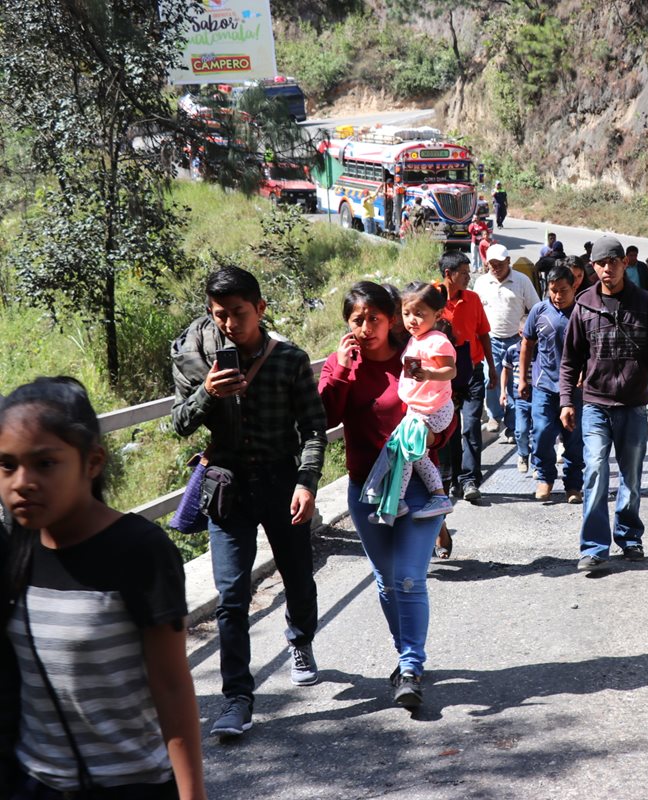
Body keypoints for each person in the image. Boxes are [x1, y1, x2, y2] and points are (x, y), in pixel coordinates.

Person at [0, 378, 206, 798]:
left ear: (92, 462)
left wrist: (192, 794)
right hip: (32, 783)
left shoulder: (139, 550)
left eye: (45, 463)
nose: (22, 482)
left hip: (128, 785)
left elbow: (171, 685)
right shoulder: (17, 545)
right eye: (7, 465)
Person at [170, 266, 327, 739]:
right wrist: (205, 395)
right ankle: (237, 697)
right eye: (219, 315)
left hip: (282, 482)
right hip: (228, 487)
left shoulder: (289, 360)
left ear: (259, 308)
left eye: (239, 313)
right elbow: (179, 423)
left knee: (299, 578)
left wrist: (307, 482)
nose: (229, 324)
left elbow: (314, 429)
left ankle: (300, 640)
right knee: (231, 598)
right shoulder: (200, 363)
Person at [318, 282, 458, 709]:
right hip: (369, 489)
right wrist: (342, 369)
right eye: (356, 320)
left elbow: (445, 406)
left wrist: (437, 435)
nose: (365, 328)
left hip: (417, 486)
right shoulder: (341, 363)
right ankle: (405, 654)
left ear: (393, 318)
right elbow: (322, 417)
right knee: (386, 580)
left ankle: (412, 665)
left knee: (409, 576)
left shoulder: (415, 353)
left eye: (374, 318)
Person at [560, 236, 648, 570]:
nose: (607, 268)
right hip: (594, 405)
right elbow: (570, 361)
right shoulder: (584, 306)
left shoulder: (644, 302)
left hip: (633, 406)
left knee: (631, 476)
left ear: (624, 262)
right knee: (595, 469)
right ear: (592, 267)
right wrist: (567, 401)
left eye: (613, 261)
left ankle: (628, 536)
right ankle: (594, 548)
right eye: (601, 263)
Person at [360, 282, 458, 522]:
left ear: (437, 314)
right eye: (407, 314)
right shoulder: (416, 339)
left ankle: (400, 502)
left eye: (419, 314)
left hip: (433, 409)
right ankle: (429, 497)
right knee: (412, 453)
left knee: (405, 450)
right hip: (418, 408)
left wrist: (430, 374)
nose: (412, 320)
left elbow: (451, 370)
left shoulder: (437, 339)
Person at [521, 265, 584, 503]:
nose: (558, 296)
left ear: (574, 287)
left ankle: (573, 485)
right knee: (542, 433)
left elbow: (592, 349)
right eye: (553, 290)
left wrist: (585, 372)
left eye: (563, 290)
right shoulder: (539, 310)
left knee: (574, 438)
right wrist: (523, 379)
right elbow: (527, 344)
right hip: (544, 385)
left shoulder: (583, 312)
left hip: (575, 389)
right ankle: (545, 479)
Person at [436, 253, 495, 503]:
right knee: (450, 427)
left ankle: (470, 479)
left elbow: (483, 334)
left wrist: (492, 367)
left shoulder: (473, 299)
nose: (469, 276)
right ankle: (451, 479)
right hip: (444, 375)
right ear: (448, 274)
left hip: (473, 370)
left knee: (471, 424)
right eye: (464, 272)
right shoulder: (432, 298)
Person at [475, 244, 539, 443]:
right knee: (490, 379)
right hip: (491, 339)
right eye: (491, 264)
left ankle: (513, 425)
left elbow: (535, 309)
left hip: (516, 341)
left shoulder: (522, 281)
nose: (495, 268)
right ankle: (495, 415)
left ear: (508, 262)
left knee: (513, 384)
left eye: (499, 264)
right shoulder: (481, 283)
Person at [499, 340, 532, 473]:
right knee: (521, 431)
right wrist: (503, 392)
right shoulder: (512, 350)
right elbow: (505, 371)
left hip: (538, 394)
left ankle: (537, 462)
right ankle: (523, 454)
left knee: (539, 431)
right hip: (520, 397)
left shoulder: (540, 348)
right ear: (520, 333)